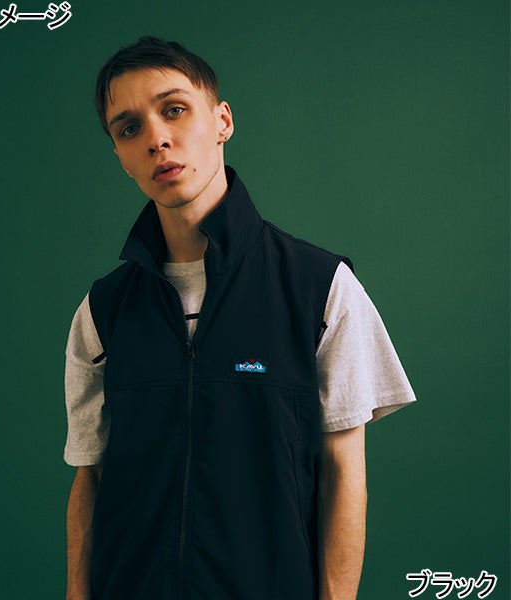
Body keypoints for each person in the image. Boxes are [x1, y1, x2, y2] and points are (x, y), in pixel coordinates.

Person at [63, 36, 416, 600]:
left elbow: (345, 474)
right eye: (128, 129)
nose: (156, 138)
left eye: (174, 109)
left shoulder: (320, 288)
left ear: (222, 120)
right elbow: (92, 474)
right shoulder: (103, 310)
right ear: (121, 157)